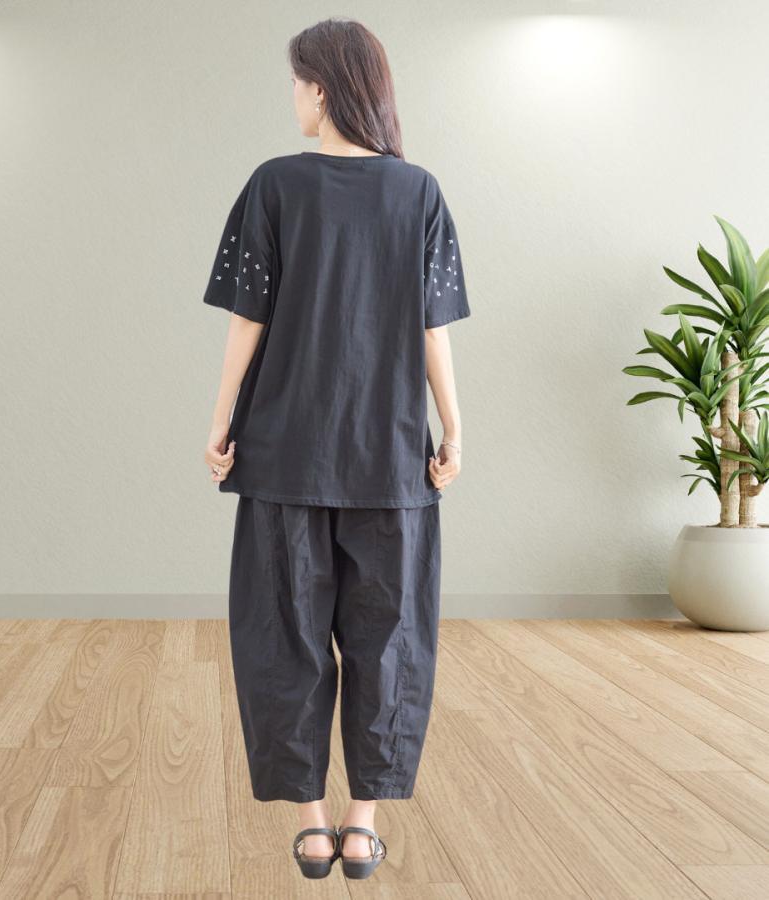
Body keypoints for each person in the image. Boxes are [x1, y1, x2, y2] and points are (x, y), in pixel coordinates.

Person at [201, 17, 468, 881]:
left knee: (285, 637)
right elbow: (433, 331)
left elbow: (249, 321)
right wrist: (453, 427)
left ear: (320, 87)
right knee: (391, 640)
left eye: (297, 82)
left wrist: (221, 420)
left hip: (284, 452)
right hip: (391, 459)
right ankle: (363, 823)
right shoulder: (419, 192)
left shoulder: (274, 184)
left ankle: (312, 825)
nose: (294, 97)